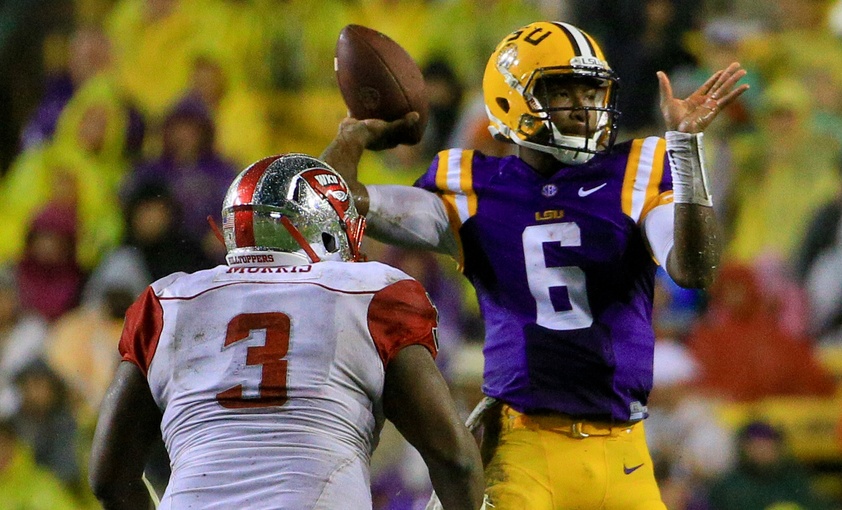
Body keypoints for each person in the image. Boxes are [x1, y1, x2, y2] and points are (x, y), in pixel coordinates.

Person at [322, 20, 749, 509]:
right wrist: (353, 136)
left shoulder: (637, 169)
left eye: (591, 92)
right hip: (524, 449)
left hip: (625, 450)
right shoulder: (470, 185)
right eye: (563, 91)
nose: (585, 107)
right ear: (511, 98)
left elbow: (694, 269)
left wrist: (686, 150)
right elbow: (332, 202)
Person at [88, 154, 485, 510]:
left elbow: (109, 479)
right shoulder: (370, 294)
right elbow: (455, 458)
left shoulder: (168, 301)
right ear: (329, 228)